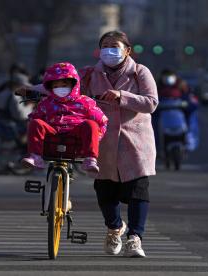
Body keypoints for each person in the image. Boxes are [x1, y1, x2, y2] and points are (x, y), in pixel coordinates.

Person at [16, 30, 158, 258]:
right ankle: (114, 228)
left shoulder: (140, 72)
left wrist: (122, 96)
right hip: (101, 141)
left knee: (137, 190)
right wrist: (31, 90)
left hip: (135, 141)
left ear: (127, 50)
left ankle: (135, 238)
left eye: (115, 45)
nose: (110, 50)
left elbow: (151, 102)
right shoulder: (89, 74)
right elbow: (59, 84)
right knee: (105, 190)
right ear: (99, 50)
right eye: (105, 46)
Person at [21, 62, 108, 178]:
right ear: (49, 87)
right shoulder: (46, 102)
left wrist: (95, 138)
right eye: (56, 86)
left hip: (76, 136)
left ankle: (90, 159)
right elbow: (34, 118)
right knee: (35, 122)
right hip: (52, 134)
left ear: (74, 85)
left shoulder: (86, 102)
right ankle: (36, 157)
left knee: (91, 124)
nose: (60, 89)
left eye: (64, 85)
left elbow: (102, 121)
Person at [0, 73, 35, 174]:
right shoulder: (14, 96)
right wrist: (30, 107)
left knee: (4, 146)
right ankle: (8, 165)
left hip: (1, 122)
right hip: (11, 125)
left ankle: (2, 166)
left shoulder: (2, 93)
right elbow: (20, 114)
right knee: (12, 145)